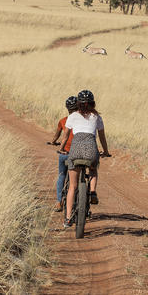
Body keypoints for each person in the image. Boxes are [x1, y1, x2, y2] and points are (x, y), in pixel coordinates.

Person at [63, 89, 111, 227]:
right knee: (94, 168)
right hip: (91, 148)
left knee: (72, 186)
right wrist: (106, 151)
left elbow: (66, 136)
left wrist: (61, 148)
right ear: (93, 103)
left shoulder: (72, 116)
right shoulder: (97, 117)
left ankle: (67, 218)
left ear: (78, 103)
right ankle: (92, 191)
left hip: (75, 149)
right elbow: (102, 137)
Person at [47, 95, 78, 212]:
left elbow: (57, 135)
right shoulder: (82, 120)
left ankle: (59, 201)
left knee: (62, 175)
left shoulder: (63, 121)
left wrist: (53, 142)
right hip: (78, 153)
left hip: (65, 153)